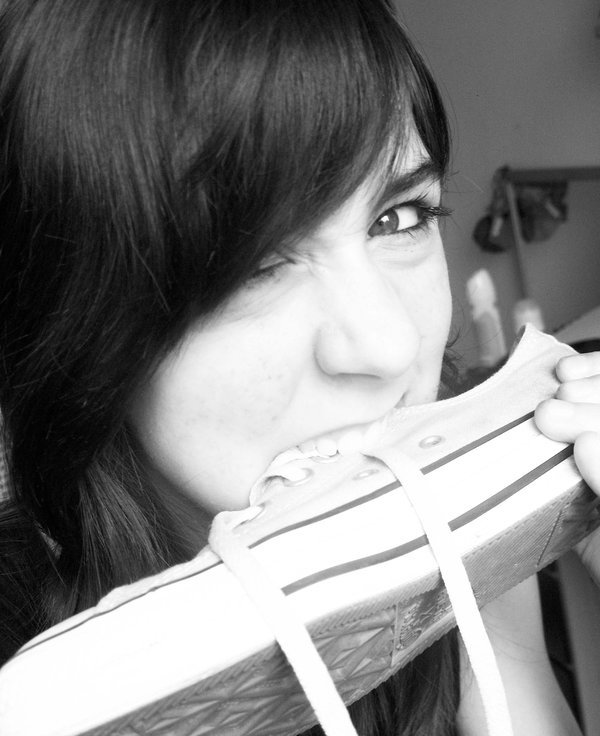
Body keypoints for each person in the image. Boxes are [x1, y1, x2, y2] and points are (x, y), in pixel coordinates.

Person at [0, 1, 598, 734]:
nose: (390, 345)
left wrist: (497, 618)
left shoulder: (462, 570)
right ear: (73, 316)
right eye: (254, 263)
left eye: (399, 218)